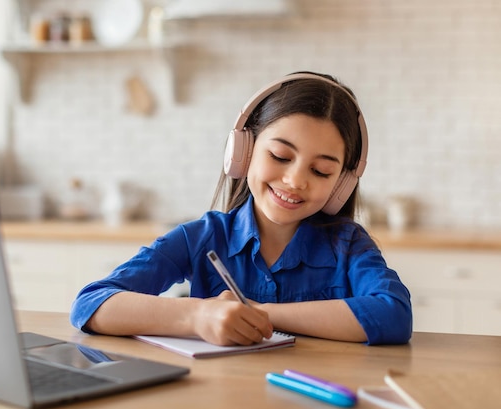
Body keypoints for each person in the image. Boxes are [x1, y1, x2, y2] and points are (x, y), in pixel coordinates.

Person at [70, 71, 412, 346]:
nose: (295, 181)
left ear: (342, 184)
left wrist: (260, 313)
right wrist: (197, 317)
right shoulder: (202, 237)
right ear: (243, 152)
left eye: (321, 171)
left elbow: (394, 314)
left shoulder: (349, 244)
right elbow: (91, 304)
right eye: (280, 156)